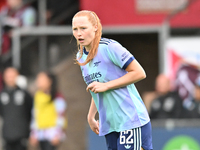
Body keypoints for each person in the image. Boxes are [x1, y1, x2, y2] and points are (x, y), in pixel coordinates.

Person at [72, 10, 153, 150]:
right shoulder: (81, 56)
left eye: (83, 28)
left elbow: (139, 73)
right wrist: (91, 115)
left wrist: (107, 85)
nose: (79, 33)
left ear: (95, 27)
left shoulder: (109, 47)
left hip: (130, 119)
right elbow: (96, 88)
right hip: (110, 124)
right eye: (75, 29)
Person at [29, 72, 67, 150]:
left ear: (50, 81)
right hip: (40, 134)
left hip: (52, 134)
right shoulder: (38, 96)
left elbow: (60, 116)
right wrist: (33, 133)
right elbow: (35, 115)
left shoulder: (57, 97)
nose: (38, 82)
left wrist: (58, 134)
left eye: (42, 79)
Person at [0, 67, 33, 150]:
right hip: (7, 135)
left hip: (22, 134)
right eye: (8, 76)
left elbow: (31, 110)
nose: (10, 79)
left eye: (13, 76)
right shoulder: (2, 94)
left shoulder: (24, 93)